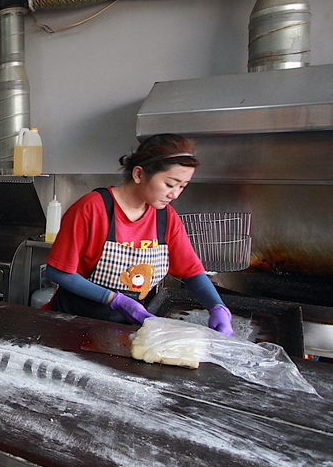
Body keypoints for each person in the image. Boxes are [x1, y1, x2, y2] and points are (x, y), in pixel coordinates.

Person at [46, 134, 233, 334]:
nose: (175, 194)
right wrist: (115, 300)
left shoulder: (166, 217)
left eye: (182, 186)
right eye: (170, 184)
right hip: (74, 324)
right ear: (138, 174)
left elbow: (192, 272)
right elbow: (58, 272)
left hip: (127, 330)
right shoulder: (92, 208)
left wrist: (217, 306)